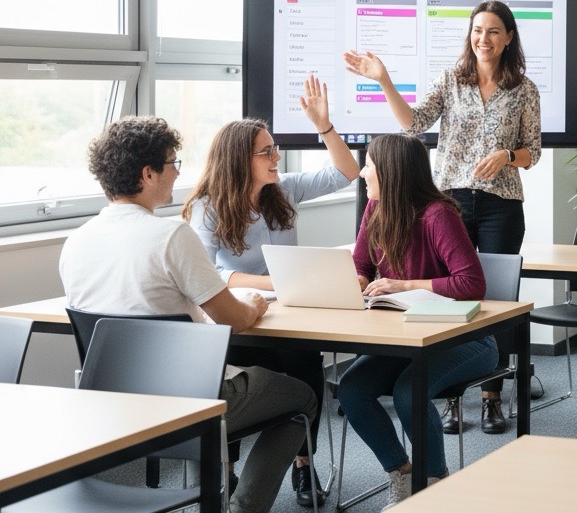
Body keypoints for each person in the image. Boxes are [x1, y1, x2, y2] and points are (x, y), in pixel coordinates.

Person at [59, 116, 319, 513]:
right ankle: (242, 508)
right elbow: (232, 318)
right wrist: (254, 304)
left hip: (111, 404)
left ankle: (213, 495)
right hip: (187, 400)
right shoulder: (170, 236)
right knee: (303, 397)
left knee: (205, 383)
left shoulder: (76, 242)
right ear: (148, 174)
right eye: (172, 163)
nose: (178, 171)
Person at [343, 0, 540, 435]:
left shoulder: (523, 89)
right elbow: (413, 123)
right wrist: (384, 81)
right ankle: (449, 393)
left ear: (508, 37)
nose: (483, 39)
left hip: (501, 202)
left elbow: (534, 151)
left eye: (492, 31)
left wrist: (507, 156)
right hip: (451, 201)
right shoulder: (451, 80)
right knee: (449, 291)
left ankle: (491, 396)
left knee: (495, 301)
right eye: (476, 31)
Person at [184, 75, 359, 508]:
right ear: (240, 159)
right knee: (229, 365)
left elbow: (347, 172)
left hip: (291, 315)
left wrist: (325, 126)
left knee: (305, 366)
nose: (276, 157)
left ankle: (303, 464)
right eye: (267, 152)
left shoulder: (284, 191)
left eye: (275, 149)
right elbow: (211, 275)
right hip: (239, 319)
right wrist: (279, 281)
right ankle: (224, 470)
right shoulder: (207, 207)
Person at [335, 134, 494, 509]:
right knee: (352, 389)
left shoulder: (438, 214)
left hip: (467, 339)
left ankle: (435, 485)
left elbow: (472, 283)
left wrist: (404, 284)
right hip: (407, 338)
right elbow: (361, 264)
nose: (362, 173)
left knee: (409, 392)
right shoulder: (375, 209)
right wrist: (358, 281)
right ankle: (403, 475)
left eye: (370, 166)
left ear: (391, 172)